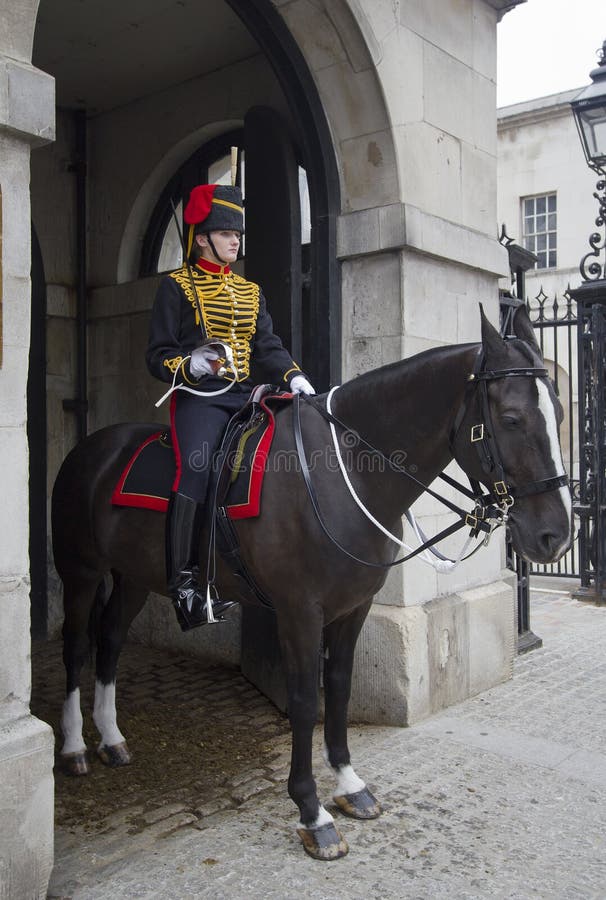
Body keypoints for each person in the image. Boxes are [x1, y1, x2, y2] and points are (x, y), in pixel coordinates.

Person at [146, 183, 315, 631]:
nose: (235, 241)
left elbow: (268, 347)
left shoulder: (250, 291)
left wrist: (293, 375)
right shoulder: (176, 287)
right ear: (202, 237)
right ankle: (184, 584)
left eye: (237, 234)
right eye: (225, 233)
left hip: (245, 396)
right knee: (198, 469)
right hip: (200, 399)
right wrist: (190, 364)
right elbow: (156, 355)